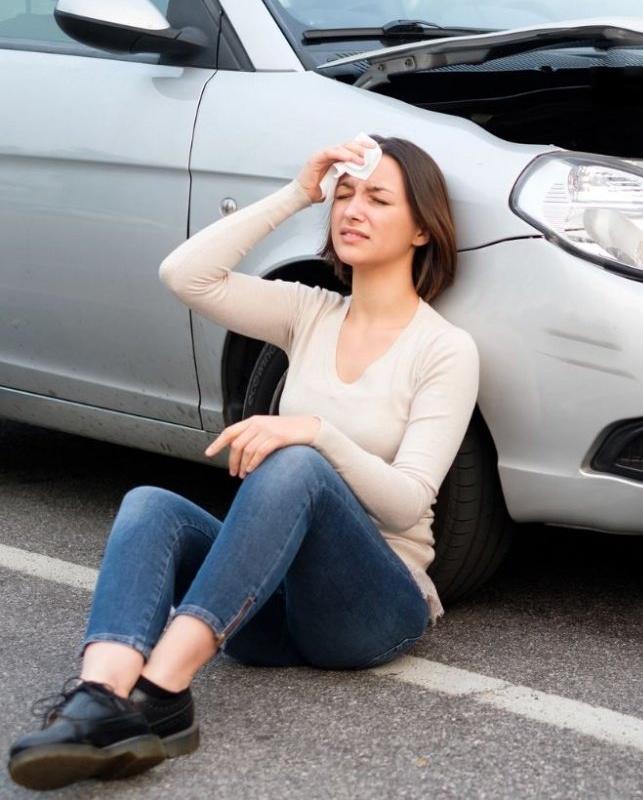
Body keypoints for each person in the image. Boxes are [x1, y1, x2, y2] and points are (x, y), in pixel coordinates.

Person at [7, 136, 479, 791]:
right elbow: (185, 275)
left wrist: (316, 433)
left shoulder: (446, 350)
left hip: (370, 610)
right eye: (344, 194)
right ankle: (99, 700)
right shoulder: (310, 313)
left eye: (377, 198)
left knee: (297, 462)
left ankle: (163, 692)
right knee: (151, 505)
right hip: (268, 611)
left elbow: (405, 501)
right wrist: (297, 192)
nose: (352, 209)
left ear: (423, 228)